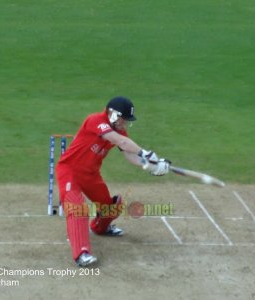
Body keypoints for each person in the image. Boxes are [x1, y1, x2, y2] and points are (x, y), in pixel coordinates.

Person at [56, 96, 171, 267]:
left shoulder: (120, 131)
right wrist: (145, 152)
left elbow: (128, 152)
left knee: (111, 206)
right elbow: (121, 141)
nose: (125, 124)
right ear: (113, 114)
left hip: (91, 174)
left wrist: (150, 166)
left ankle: (100, 228)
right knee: (77, 206)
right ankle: (81, 253)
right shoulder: (95, 120)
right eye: (124, 119)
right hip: (70, 170)